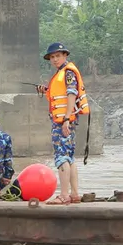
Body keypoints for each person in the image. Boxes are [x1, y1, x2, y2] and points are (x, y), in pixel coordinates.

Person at [34, 42, 89, 205]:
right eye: (52, 57)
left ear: (65, 55)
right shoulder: (63, 73)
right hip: (67, 121)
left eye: (58, 56)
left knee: (61, 156)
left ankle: (64, 195)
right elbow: (60, 95)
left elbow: (71, 94)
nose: (55, 59)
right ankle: (74, 194)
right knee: (69, 157)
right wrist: (46, 90)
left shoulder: (68, 73)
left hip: (64, 122)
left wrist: (65, 119)